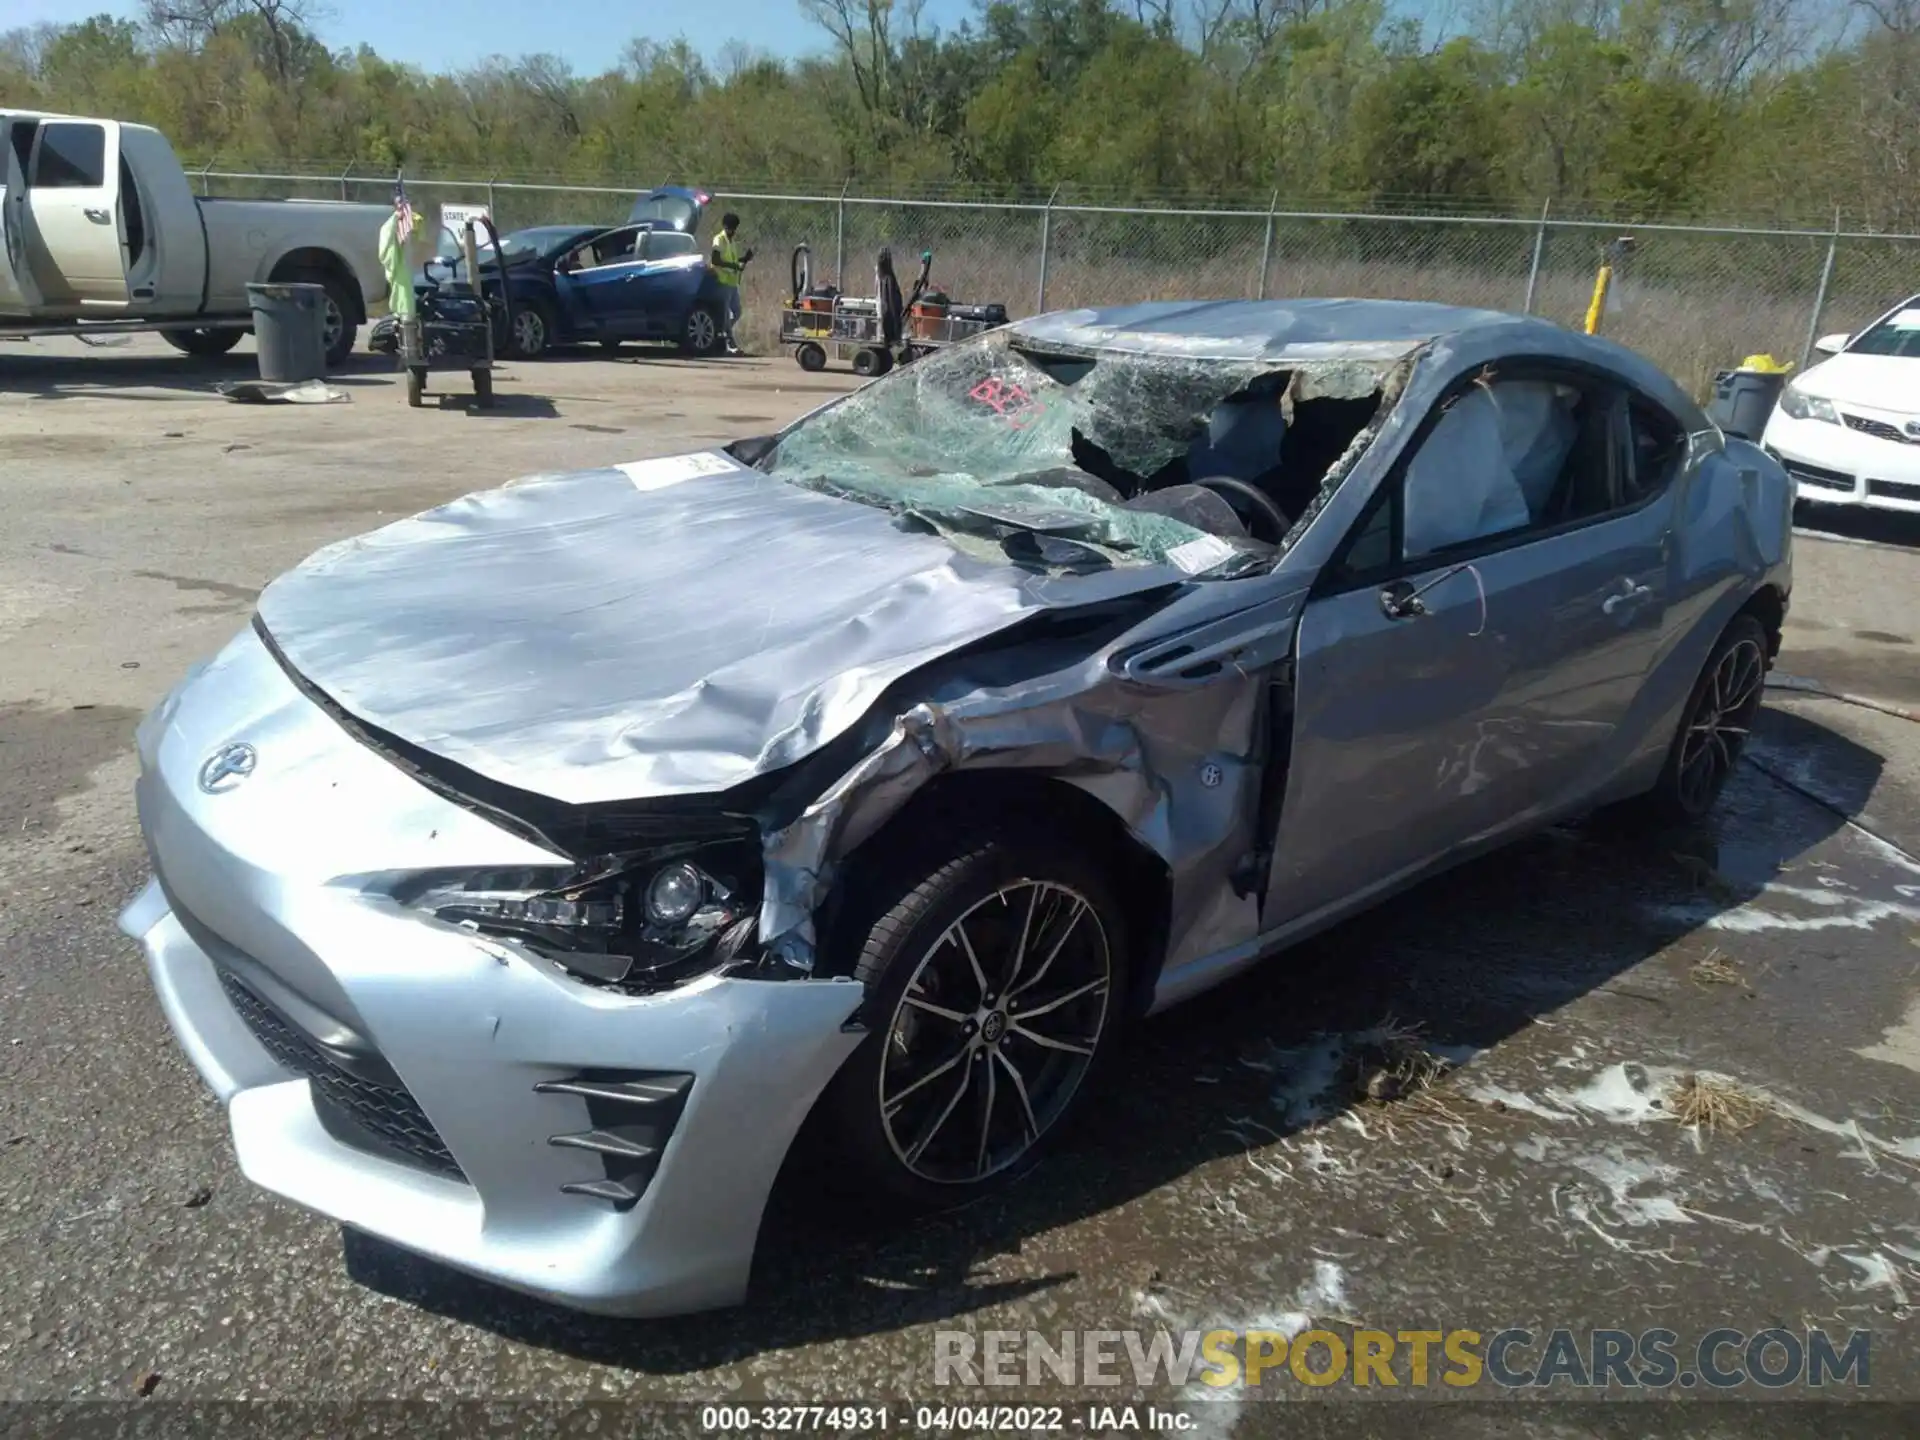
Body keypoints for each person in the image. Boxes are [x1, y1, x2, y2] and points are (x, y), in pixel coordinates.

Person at [708, 212, 754, 355]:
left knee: (737, 312)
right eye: (730, 228)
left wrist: (744, 259)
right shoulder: (719, 239)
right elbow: (715, 260)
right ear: (725, 226)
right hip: (722, 282)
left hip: (732, 283)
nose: (732, 231)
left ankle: (720, 332)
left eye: (734, 228)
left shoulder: (732, 241)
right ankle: (729, 343)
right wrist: (734, 267)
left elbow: (733, 261)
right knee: (726, 315)